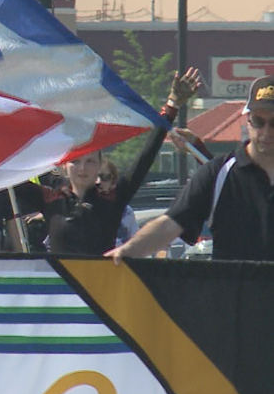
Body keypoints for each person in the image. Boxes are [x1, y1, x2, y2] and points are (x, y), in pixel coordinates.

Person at [109, 74, 274, 263]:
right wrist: (127, 251)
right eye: (259, 122)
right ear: (248, 121)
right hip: (231, 291)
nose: (266, 131)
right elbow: (169, 225)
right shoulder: (217, 174)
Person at [47, 68, 201, 256]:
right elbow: (7, 179)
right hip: (58, 284)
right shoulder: (51, 200)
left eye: (90, 162)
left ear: (99, 166)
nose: (82, 168)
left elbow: (145, 158)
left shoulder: (112, 199)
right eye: (75, 162)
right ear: (64, 165)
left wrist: (172, 106)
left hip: (100, 282)